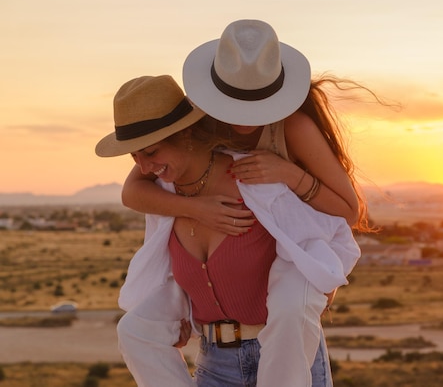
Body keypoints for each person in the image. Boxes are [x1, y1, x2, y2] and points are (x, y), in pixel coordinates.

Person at [119, 20, 372, 386]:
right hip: (217, 357)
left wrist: (288, 173)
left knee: (291, 303)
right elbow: (134, 192)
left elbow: (350, 211)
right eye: (233, 103)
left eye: (255, 104)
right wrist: (199, 210)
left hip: (283, 292)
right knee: (137, 326)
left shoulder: (293, 128)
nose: (242, 118)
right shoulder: (198, 122)